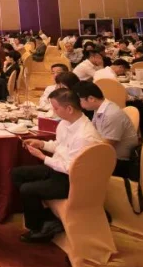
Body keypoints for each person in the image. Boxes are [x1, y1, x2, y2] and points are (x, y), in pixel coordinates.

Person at [11, 89, 104, 243]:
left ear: (69, 109)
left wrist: (43, 157)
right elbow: (60, 146)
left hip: (73, 180)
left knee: (27, 189)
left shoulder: (85, 135)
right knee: (17, 173)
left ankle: (39, 229)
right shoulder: (66, 123)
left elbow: (71, 167)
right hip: (59, 169)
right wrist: (42, 144)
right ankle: (47, 217)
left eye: (56, 108)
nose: (53, 111)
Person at [74, 82, 139, 178]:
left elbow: (106, 147)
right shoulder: (99, 108)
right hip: (110, 153)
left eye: (80, 101)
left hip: (119, 161)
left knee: (76, 166)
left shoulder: (110, 114)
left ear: (91, 99)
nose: (79, 104)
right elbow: (93, 131)